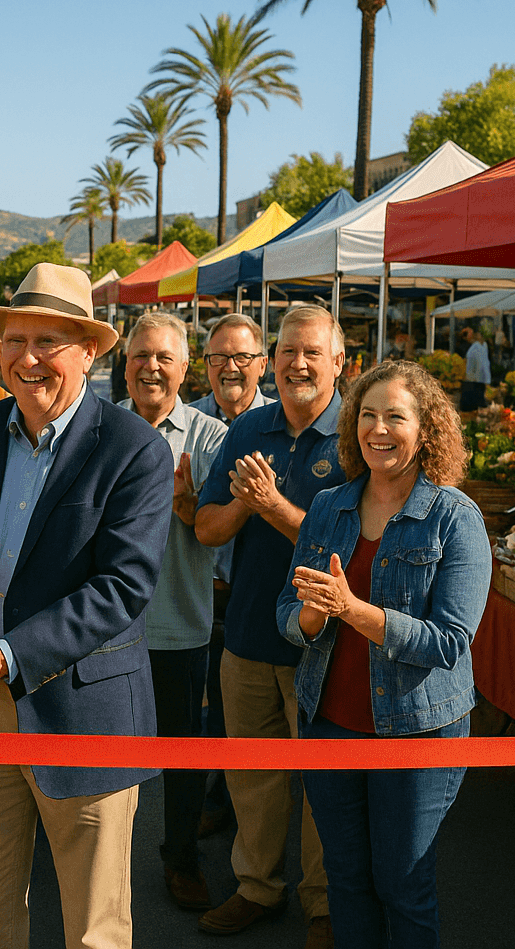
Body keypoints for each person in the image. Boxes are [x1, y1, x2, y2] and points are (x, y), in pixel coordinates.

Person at [0, 263, 172, 949]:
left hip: (86, 716)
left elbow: (123, 589)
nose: (26, 358)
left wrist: (6, 655)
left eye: (48, 341)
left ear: (88, 350)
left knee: (95, 931)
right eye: (14, 340)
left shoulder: (136, 449)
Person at [280, 359, 489, 948]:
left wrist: (352, 610)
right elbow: (286, 612)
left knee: (403, 885)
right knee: (346, 881)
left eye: (395, 416)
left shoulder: (455, 517)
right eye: (367, 415)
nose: (379, 429)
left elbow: (450, 642)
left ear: (426, 429)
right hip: (329, 725)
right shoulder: (327, 506)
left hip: (418, 736)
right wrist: (311, 617)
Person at [193, 305, 346, 947]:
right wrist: (242, 505)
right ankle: (256, 887)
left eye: (312, 352)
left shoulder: (357, 435)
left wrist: (274, 507)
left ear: (341, 362)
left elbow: (341, 544)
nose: (298, 363)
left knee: (322, 786)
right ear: (272, 361)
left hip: (325, 645)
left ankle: (324, 905)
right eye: (287, 351)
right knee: (253, 776)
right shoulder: (250, 427)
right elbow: (205, 529)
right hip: (251, 636)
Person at [118, 312, 228, 912]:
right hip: (105, 631)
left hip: (181, 625)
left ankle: (181, 858)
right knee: (103, 754)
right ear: (125, 363)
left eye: (164, 357)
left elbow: (213, 528)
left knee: (184, 758)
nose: (151, 367)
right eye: (140, 356)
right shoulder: (99, 426)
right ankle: (98, 857)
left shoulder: (209, 437)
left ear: (187, 369)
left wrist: (188, 508)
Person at [191, 314, 274, 835]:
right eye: (219, 357)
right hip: (201, 591)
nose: (230, 368)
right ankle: (206, 800)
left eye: (241, 357)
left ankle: (232, 809)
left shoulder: (281, 423)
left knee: (244, 717)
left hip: (254, 594)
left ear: (262, 364)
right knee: (206, 711)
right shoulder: (191, 423)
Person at [459, 326, 490, 411]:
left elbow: (482, 365)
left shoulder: (477, 347)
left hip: (473, 382)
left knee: (471, 410)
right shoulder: (482, 346)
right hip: (477, 381)